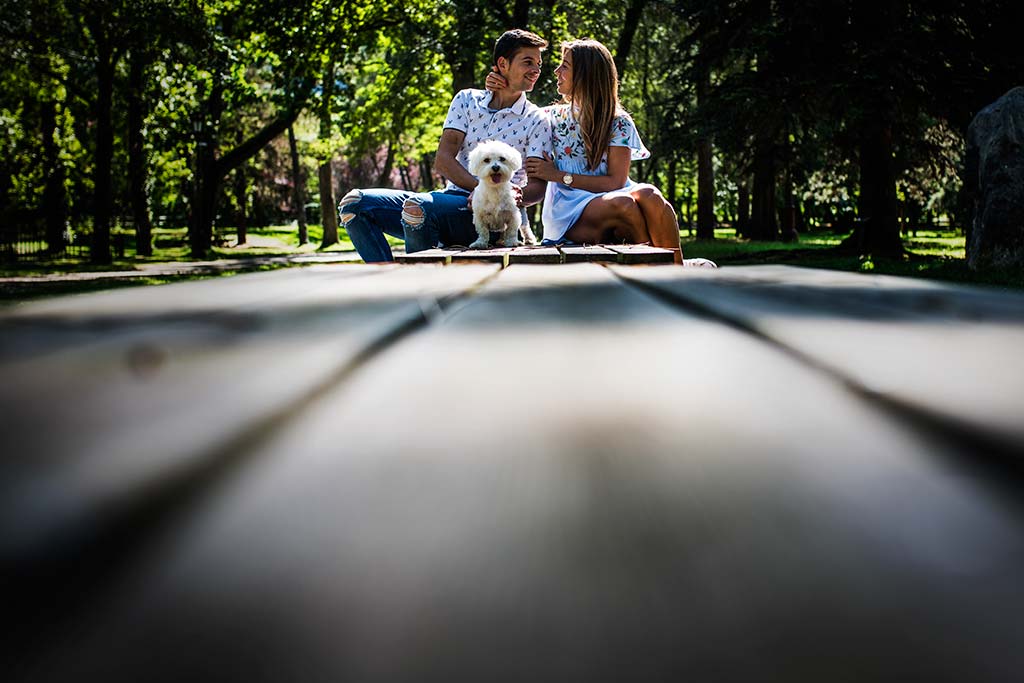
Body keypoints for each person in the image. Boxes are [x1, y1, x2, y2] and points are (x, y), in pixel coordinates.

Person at [488, 39, 713, 266]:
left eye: (565, 66)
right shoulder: (549, 117)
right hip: (569, 207)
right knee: (625, 205)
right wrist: (501, 84)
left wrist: (557, 175)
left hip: (612, 191)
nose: (557, 71)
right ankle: (662, 272)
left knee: (650, 194)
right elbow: (513, 111)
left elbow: (616, 181)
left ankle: (676, 268)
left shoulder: (618, 121)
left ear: (586, 75)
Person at [338, 30, 553, 262]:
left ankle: (419, 289)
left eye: (538, 64)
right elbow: (443, 160)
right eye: (528, 62)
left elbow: (537, 189)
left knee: (417, 207)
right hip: (450, 199)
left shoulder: (537, 119)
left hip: (493, 216)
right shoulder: (466, 100)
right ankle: (390, 280)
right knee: (354, 204)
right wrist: (478, 189)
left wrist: (495, 195)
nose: (536, 70)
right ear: (502, 64)